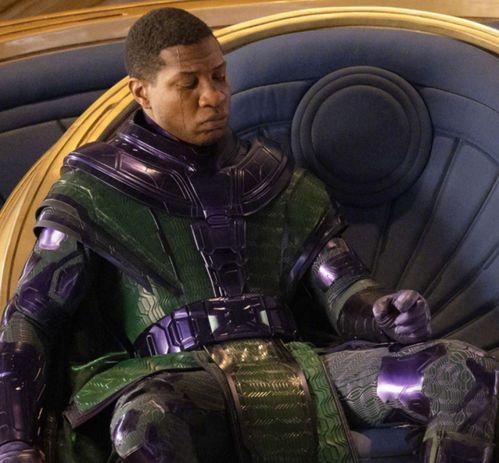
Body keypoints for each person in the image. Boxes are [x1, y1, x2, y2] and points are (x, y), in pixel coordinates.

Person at [0, 7, 496, 463]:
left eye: (218, 76)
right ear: (141, 92)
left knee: (461, 371)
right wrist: (15, 442)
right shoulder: (92, 192)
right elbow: (30, 319)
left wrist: (384, 313)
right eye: (188, 83)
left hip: (304, 369)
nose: (213, 96)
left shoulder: (278, 180)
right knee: (150, 420)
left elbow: (343, 288)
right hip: (178, 381)